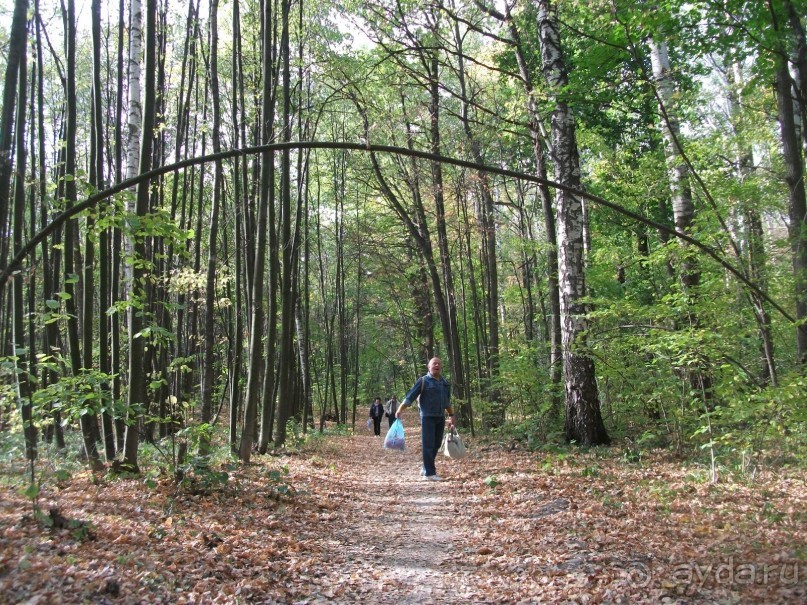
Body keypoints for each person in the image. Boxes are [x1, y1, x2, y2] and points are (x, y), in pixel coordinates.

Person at [396, 357, 455, 481]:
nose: (437, 365)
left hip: (440, 417)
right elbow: (410, 396)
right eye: (434, 363)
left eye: (439, 363)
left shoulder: (444, 383)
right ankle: (430, 473)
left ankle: (425, 468)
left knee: (436, 444)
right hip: (427, 417)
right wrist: (400, 409)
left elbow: (447, 402)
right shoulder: (423, 381)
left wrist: (451, 416)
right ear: (429, 367)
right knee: (428, 444)